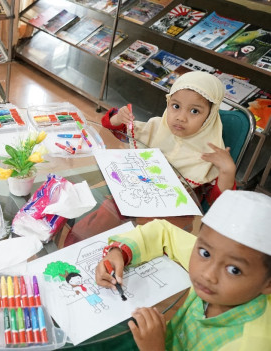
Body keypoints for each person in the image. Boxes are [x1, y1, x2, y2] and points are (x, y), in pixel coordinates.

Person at [95, 190, 271, 351]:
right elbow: (164, 231)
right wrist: (120, 252)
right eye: (205, 252)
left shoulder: (249, 345)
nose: (207, 274)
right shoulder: (217, 258)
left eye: (234, 270)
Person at [101, 71, 236, 204]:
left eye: (194, 111)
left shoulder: (213, 153)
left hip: (172, 215)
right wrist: (118, 118)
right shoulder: (157, 126)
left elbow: (217, 203)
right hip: (133, 194)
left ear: (210, 116)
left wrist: (227, 172)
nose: (180, 117)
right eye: (176, 106)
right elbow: (114, 130)